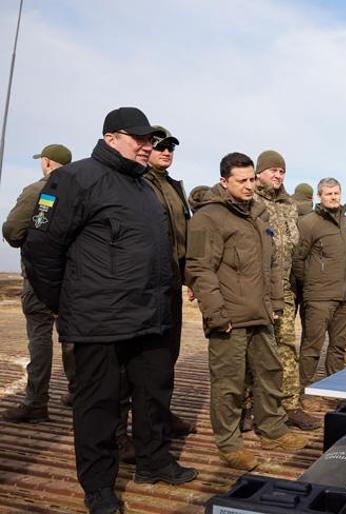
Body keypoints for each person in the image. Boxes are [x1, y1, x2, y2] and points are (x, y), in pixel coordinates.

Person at [22, 107, 198, 514]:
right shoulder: (74, 178)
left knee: (154, 394)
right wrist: (64, 303)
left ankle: (154, 461)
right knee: (98, 407)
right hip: (98, 320)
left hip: (150, 316)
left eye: (150, 140)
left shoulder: (145, 187)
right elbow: (40, 248)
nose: (147, 146)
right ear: (110, 137)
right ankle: (99, 486)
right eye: (138, 138)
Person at [186, 152, 309, 471]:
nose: (248, 186)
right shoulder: (208, 217)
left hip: (261, 315)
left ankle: (273, 430)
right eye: (241, 180)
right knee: (228, 384)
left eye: (252, 179)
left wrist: (276, 305)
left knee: (270, 372)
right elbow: (200, 269)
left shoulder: (259, 215)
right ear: (224, 182)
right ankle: (229, 445)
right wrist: (217, 315)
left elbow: (271, 265)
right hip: (229, 319)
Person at [1, 144, 76, 422]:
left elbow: (13, 231)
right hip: (74, 279)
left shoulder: (37, 191)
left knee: (40, 335)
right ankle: (79, 394)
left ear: (46, 163)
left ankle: (35, 402)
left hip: (39, 277)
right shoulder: (83, 192)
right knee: (72, 337)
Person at [253, 150, 319, 431]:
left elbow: (295, 248)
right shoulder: (249, 201)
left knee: (287, 347)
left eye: (281, 171)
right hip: (254, 289)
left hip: (286, 289)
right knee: (253, 349)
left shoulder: (289, 205)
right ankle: (249, 407)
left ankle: (290, 405)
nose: (278, 175)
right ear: (259, 173)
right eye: (272, 170)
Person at [143, 125, 195, 436]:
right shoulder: (137, 182)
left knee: (167, 356)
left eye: (171, 148)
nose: (166, 152)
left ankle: (161, 413)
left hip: (171, 285)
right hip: (145, 287)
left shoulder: (175, 187)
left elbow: (183, 238)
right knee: (138, 361)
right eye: (160, 146)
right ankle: (123, 433)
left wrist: (190, 279)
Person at [293, 178, 346, 390]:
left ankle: (334, 389)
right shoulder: (309, 222)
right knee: (312, 347)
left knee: (339, 346)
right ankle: (299, 391)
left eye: (336, 193)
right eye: (328, 193)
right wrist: (311, 283)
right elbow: (298, 259)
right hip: (319, 297)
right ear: (319, 196)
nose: (333, 197)